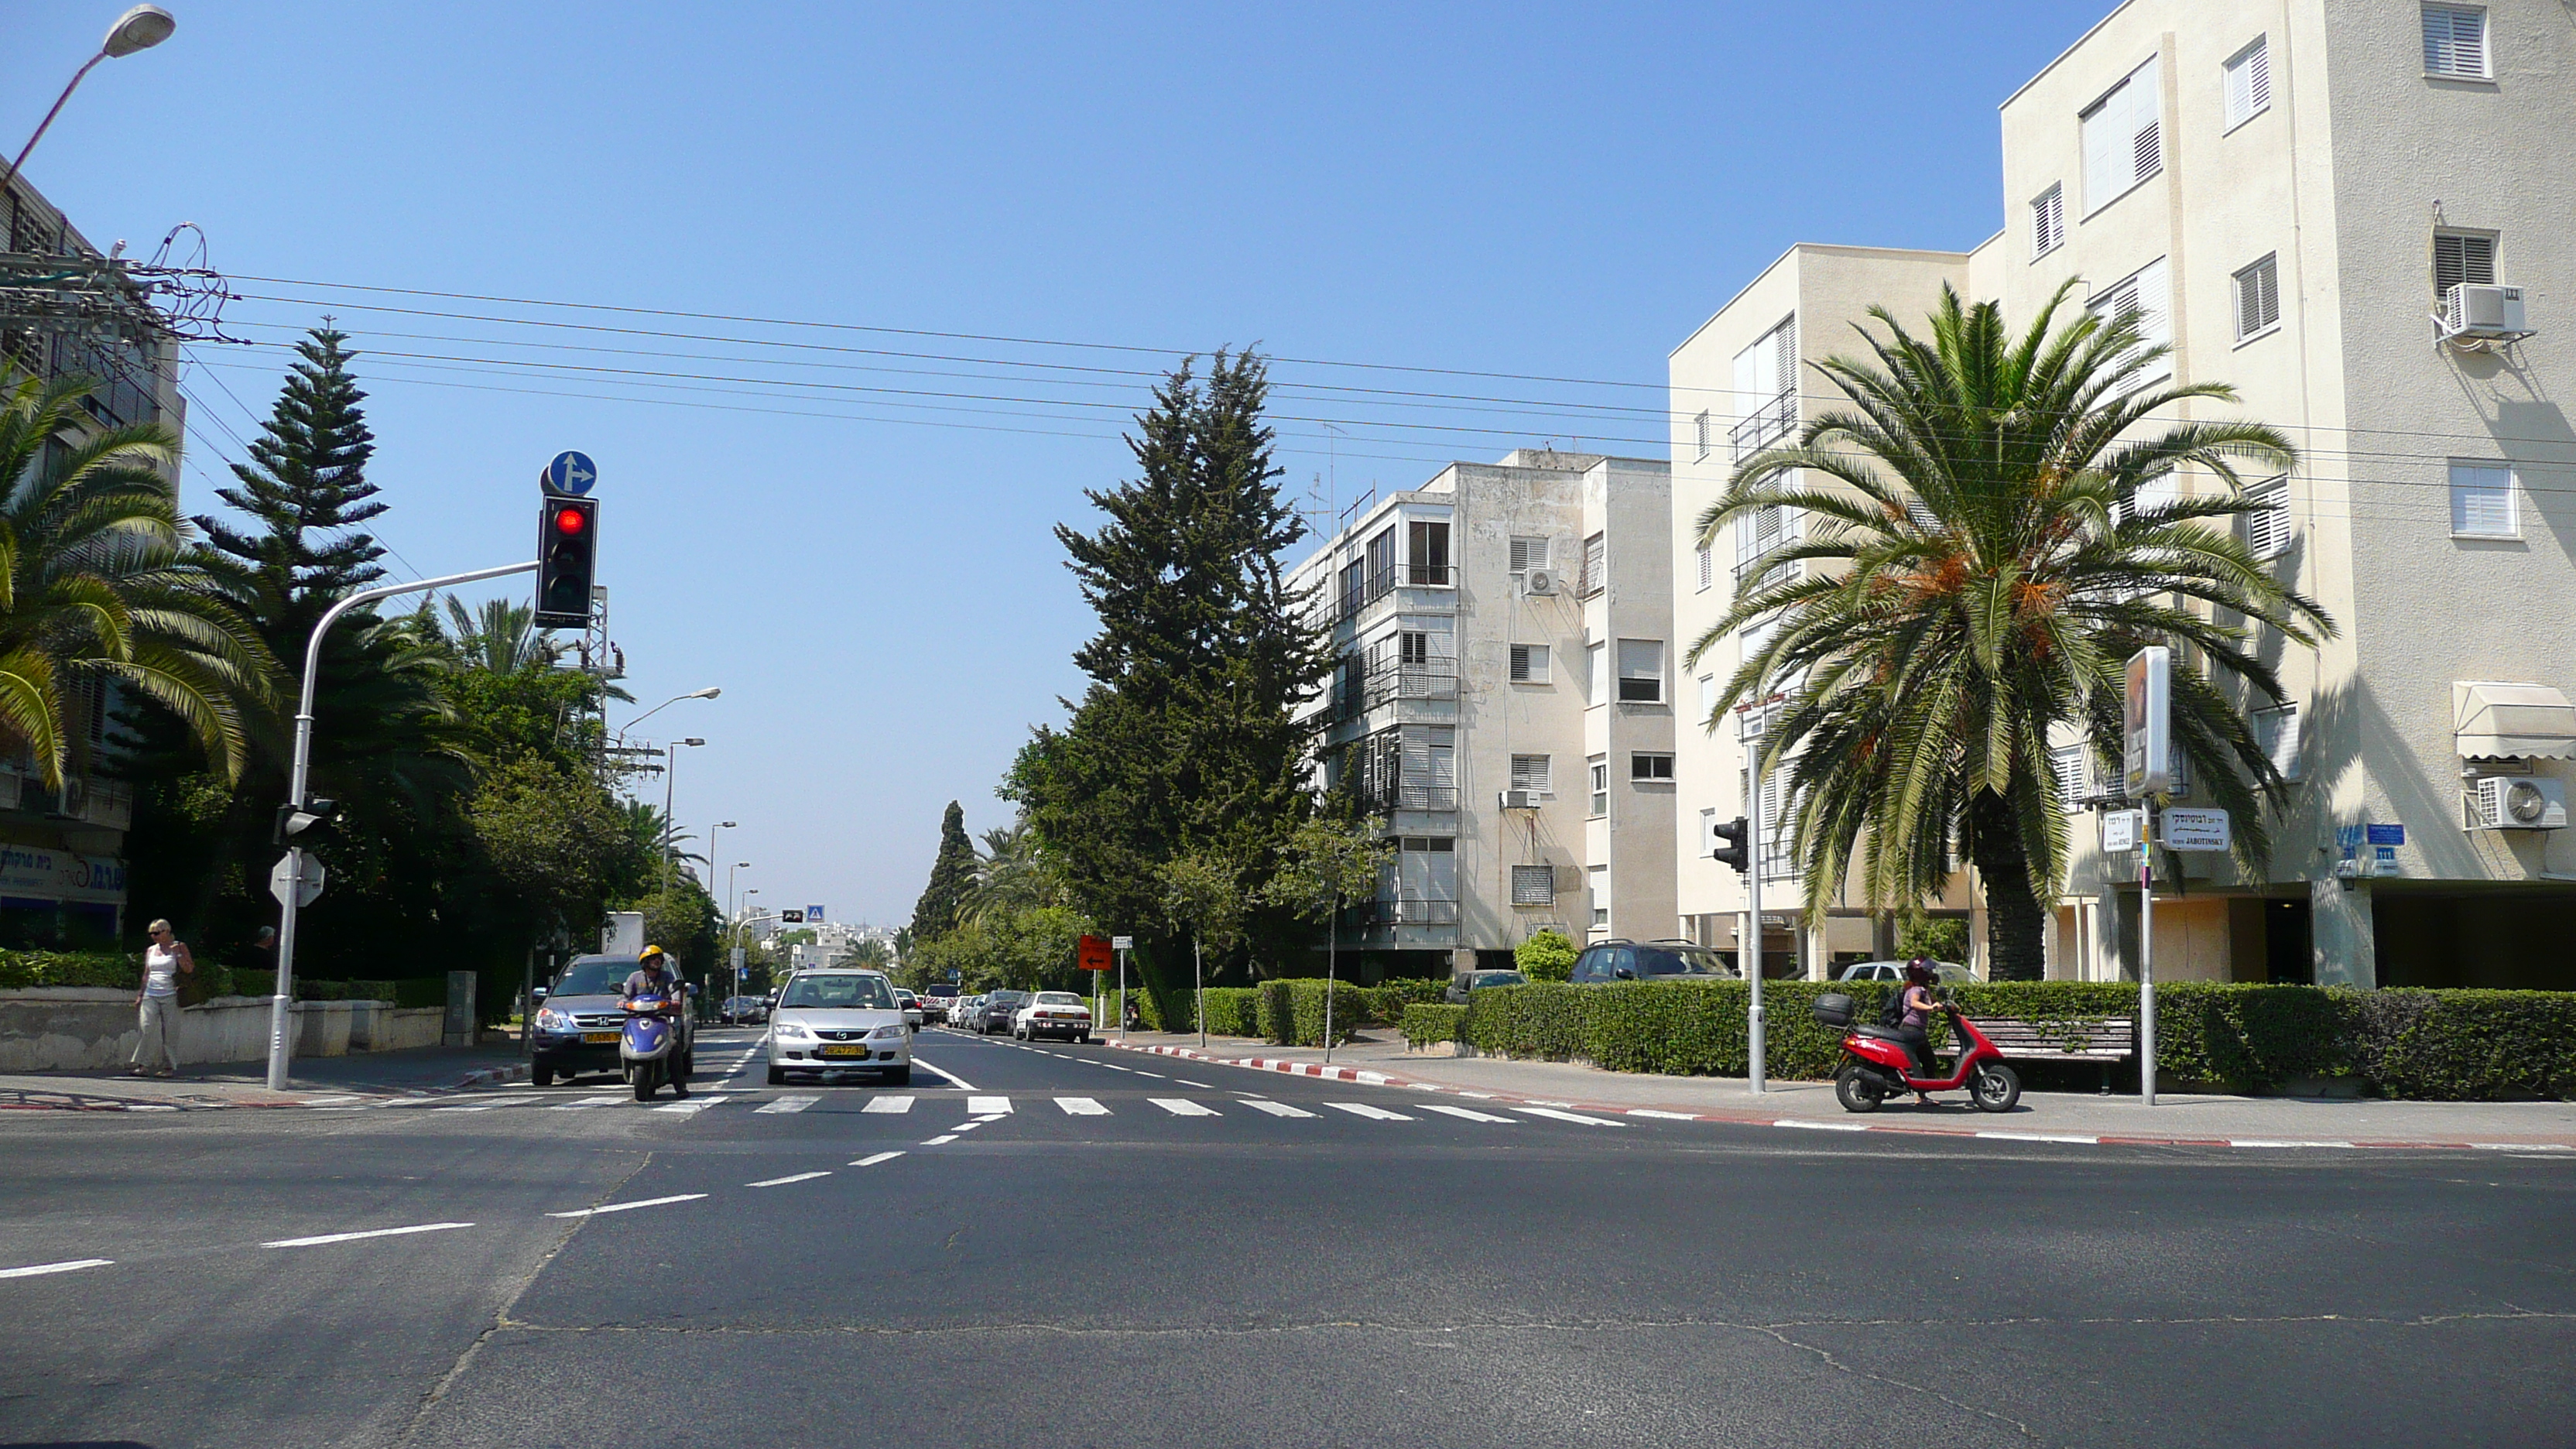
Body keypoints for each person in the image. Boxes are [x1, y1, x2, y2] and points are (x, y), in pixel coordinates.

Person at [132, 919, 194, 1078]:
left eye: (157, 933)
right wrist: (140, 994)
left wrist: (178, 953)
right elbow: (147, 973)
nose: (154, 936)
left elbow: (189, 969)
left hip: (171, 995)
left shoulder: (179, 946)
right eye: (151, 933)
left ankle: (168, 1067)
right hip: (151, 994)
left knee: (170, 1033)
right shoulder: (151, 950)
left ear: (167, 931)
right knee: (146, 1029)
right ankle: (142, 1065)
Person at [1896, 958, 1941, 1105]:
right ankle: (1921, 1094)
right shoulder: (1915, 990)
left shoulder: (1923, 990)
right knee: (1921, 1062)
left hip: (1916, 1032)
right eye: (1928, 971)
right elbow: (1915, 1003)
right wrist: (1931, 1008)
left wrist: (1943, 1006)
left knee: (1929, 1061)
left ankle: (1922, 1095)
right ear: (1920, 973)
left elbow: (1934, 1002)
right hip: (1911, 1031)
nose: (1931, 974)